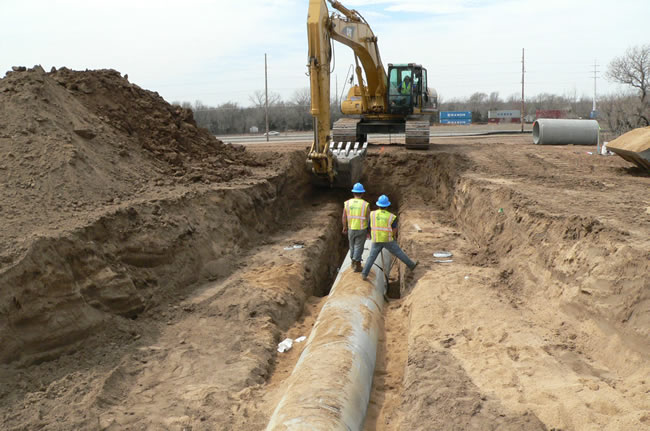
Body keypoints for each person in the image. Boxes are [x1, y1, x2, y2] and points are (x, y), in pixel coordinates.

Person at [361, 194, 417, 280]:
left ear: (378, 205)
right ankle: (411, 265)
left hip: (376, 239)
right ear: (387, 206)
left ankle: (364, 274)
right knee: (399, 253)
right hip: (387, 239)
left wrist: (370, 234)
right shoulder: (391, 216)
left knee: (371, 257)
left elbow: (369, 226)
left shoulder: (372, 214)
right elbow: (394, 229)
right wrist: (393, 236)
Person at [342, 182, 370, 272]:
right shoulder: (365, 204)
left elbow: (344, 216)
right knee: (359, 246)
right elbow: (368, 218)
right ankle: (356, 263)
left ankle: (352, 260)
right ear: (362, 193)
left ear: (353, 193)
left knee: (352, 246)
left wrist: (344, 227)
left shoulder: (347, 203)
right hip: (362, 229)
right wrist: (369, 229)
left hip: (351, 228)